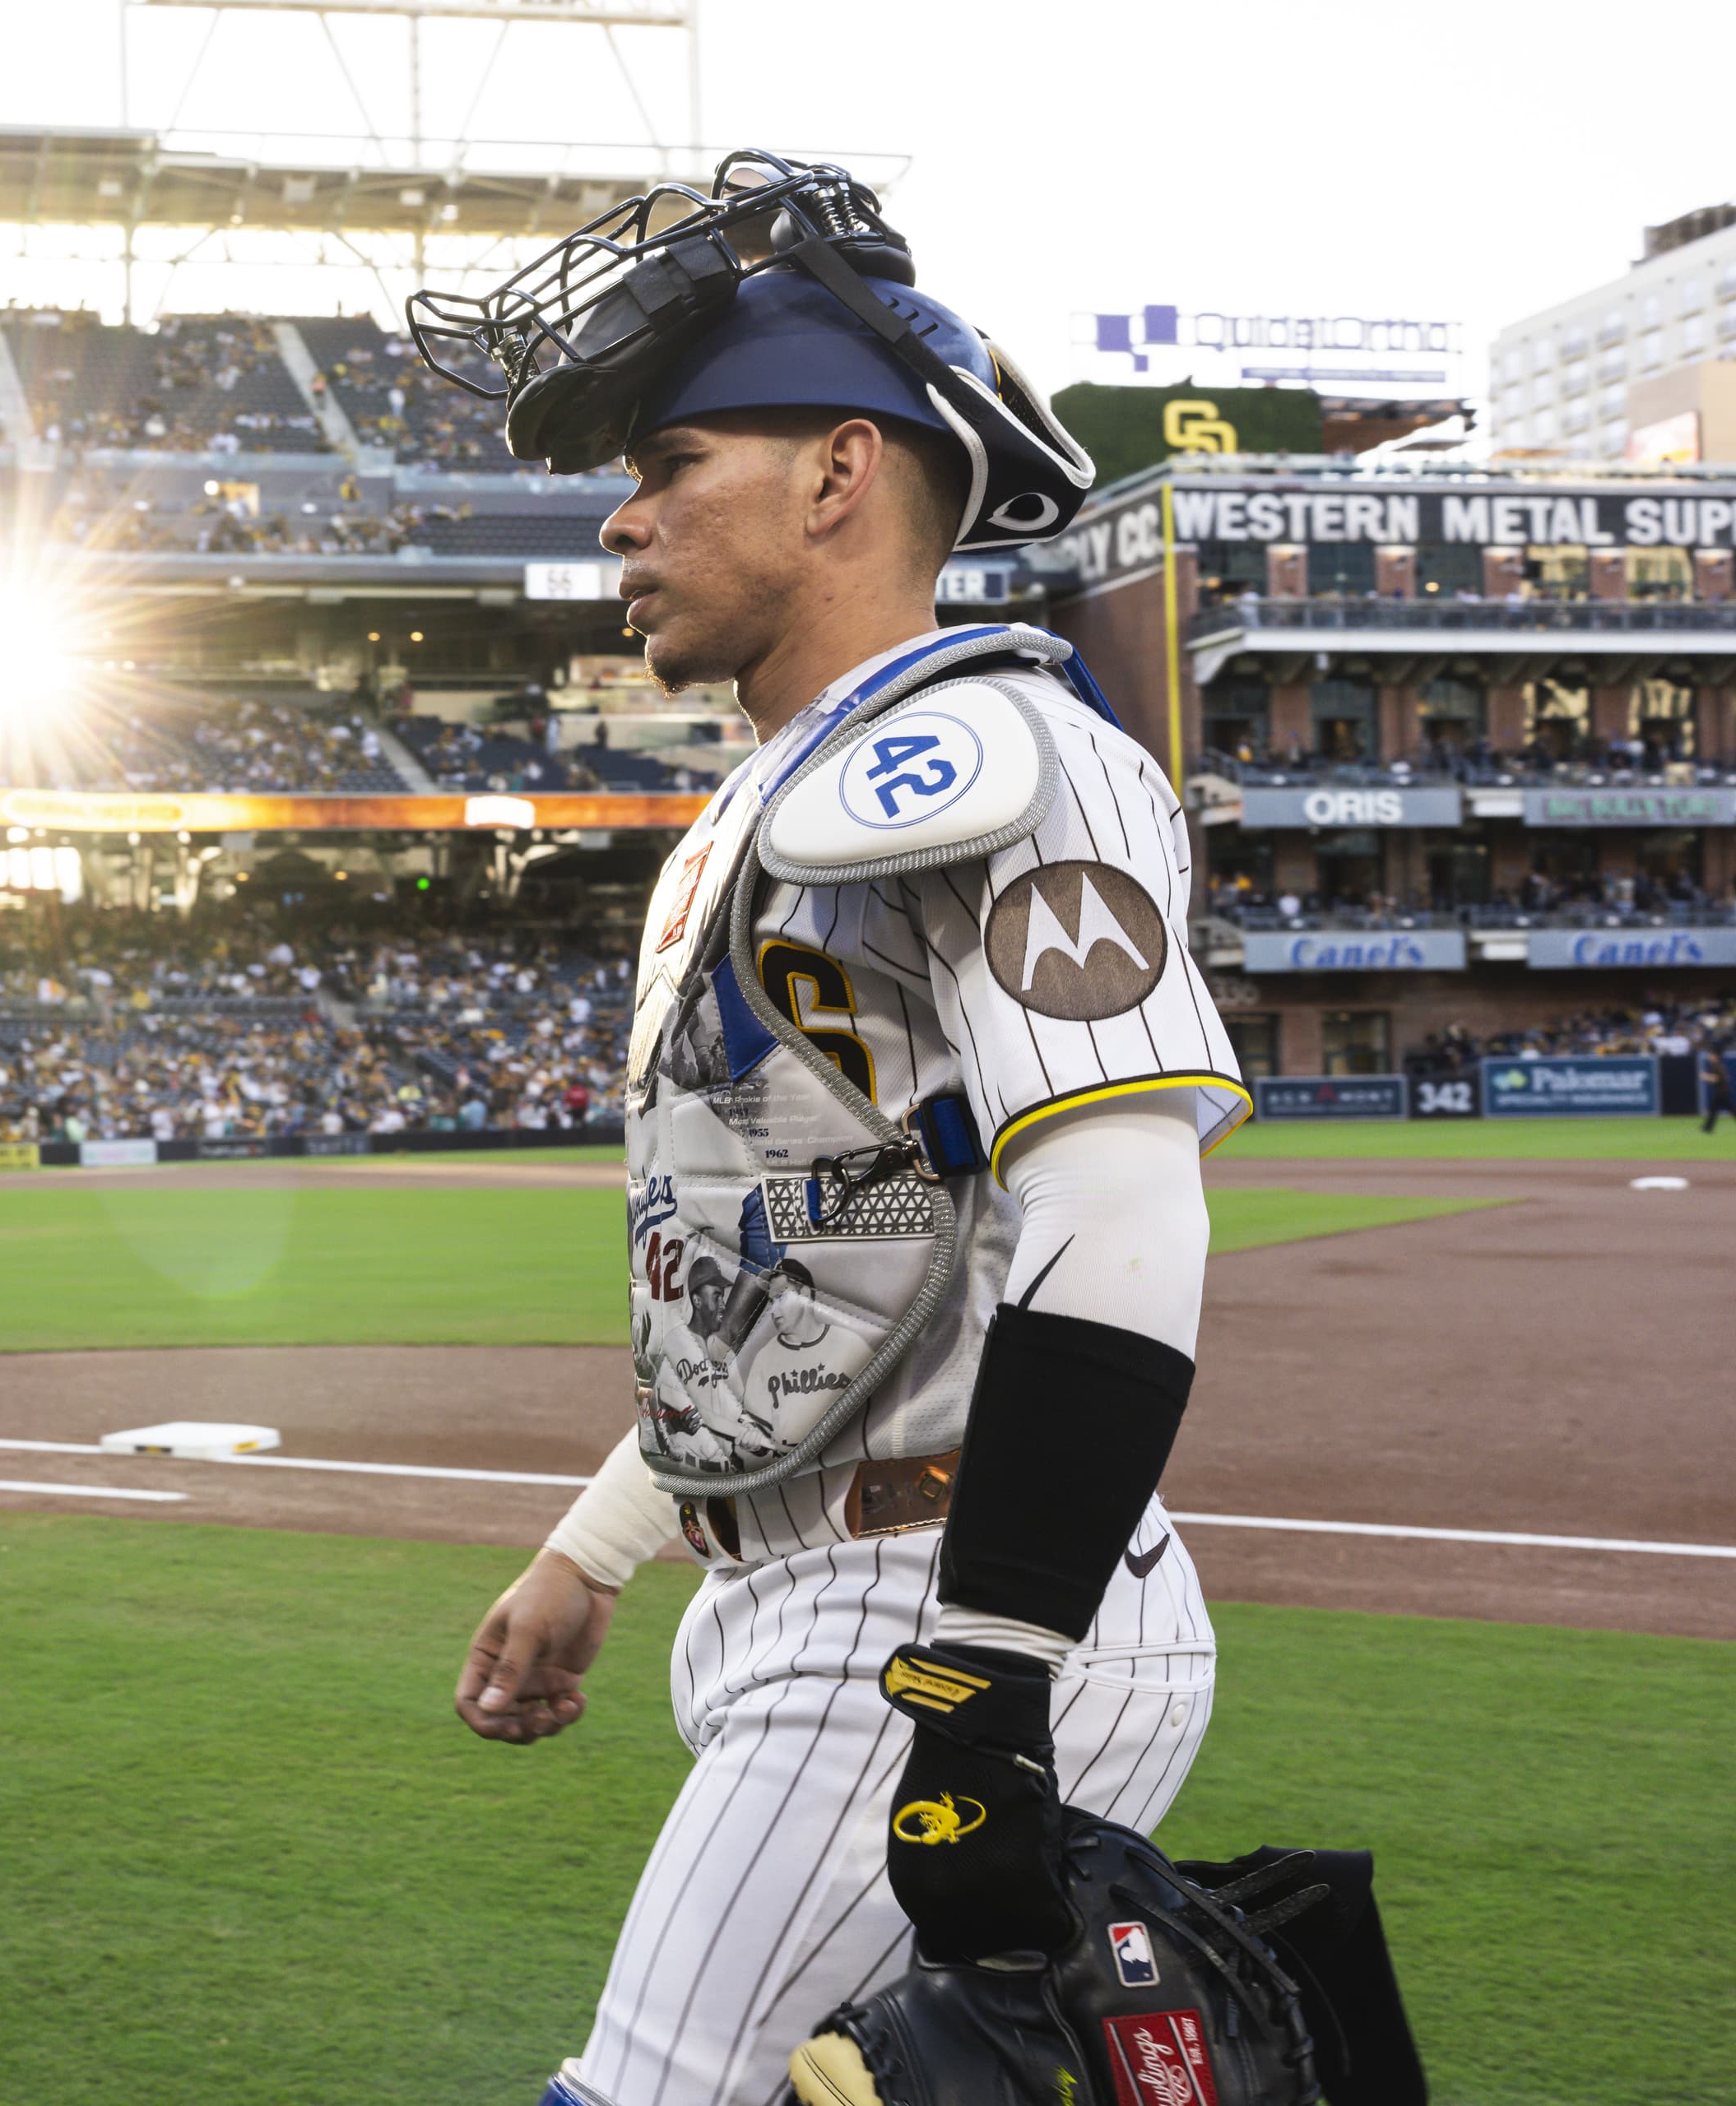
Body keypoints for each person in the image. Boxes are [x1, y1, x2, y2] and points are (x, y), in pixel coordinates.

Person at [425, 155, 1245, 2106]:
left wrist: (983, 1663)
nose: (620, 515)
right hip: (783, 1586)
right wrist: (599, 1542)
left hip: (936, 1599)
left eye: (671, 457)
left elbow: (1120, 1209)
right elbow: (810, 1265)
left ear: (834, 475)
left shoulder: (1008, 753)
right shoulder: (763, 810)